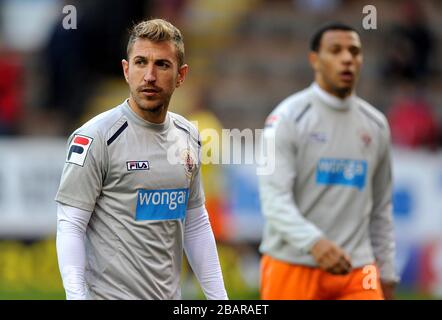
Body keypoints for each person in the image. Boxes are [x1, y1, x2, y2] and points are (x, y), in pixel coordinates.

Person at [55, 19, 228, 300]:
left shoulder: (188, 136)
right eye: (140, 62)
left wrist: (219, 300)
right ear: (126, 70)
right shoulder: (95, 137)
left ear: (181, 75)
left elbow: (196, 222)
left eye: (161, 64)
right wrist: (76, 296)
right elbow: (70, 225)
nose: (149, 75)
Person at [259, 23, 399, 300]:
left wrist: (387, 272)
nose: (347, 58)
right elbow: (274, 200)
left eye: (354, 51)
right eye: (336, 50)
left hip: (358, 269)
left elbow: (381, 209)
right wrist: (314, 243)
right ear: (315, 60)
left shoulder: (376, 125)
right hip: (292, 263)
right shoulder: (287, 118)